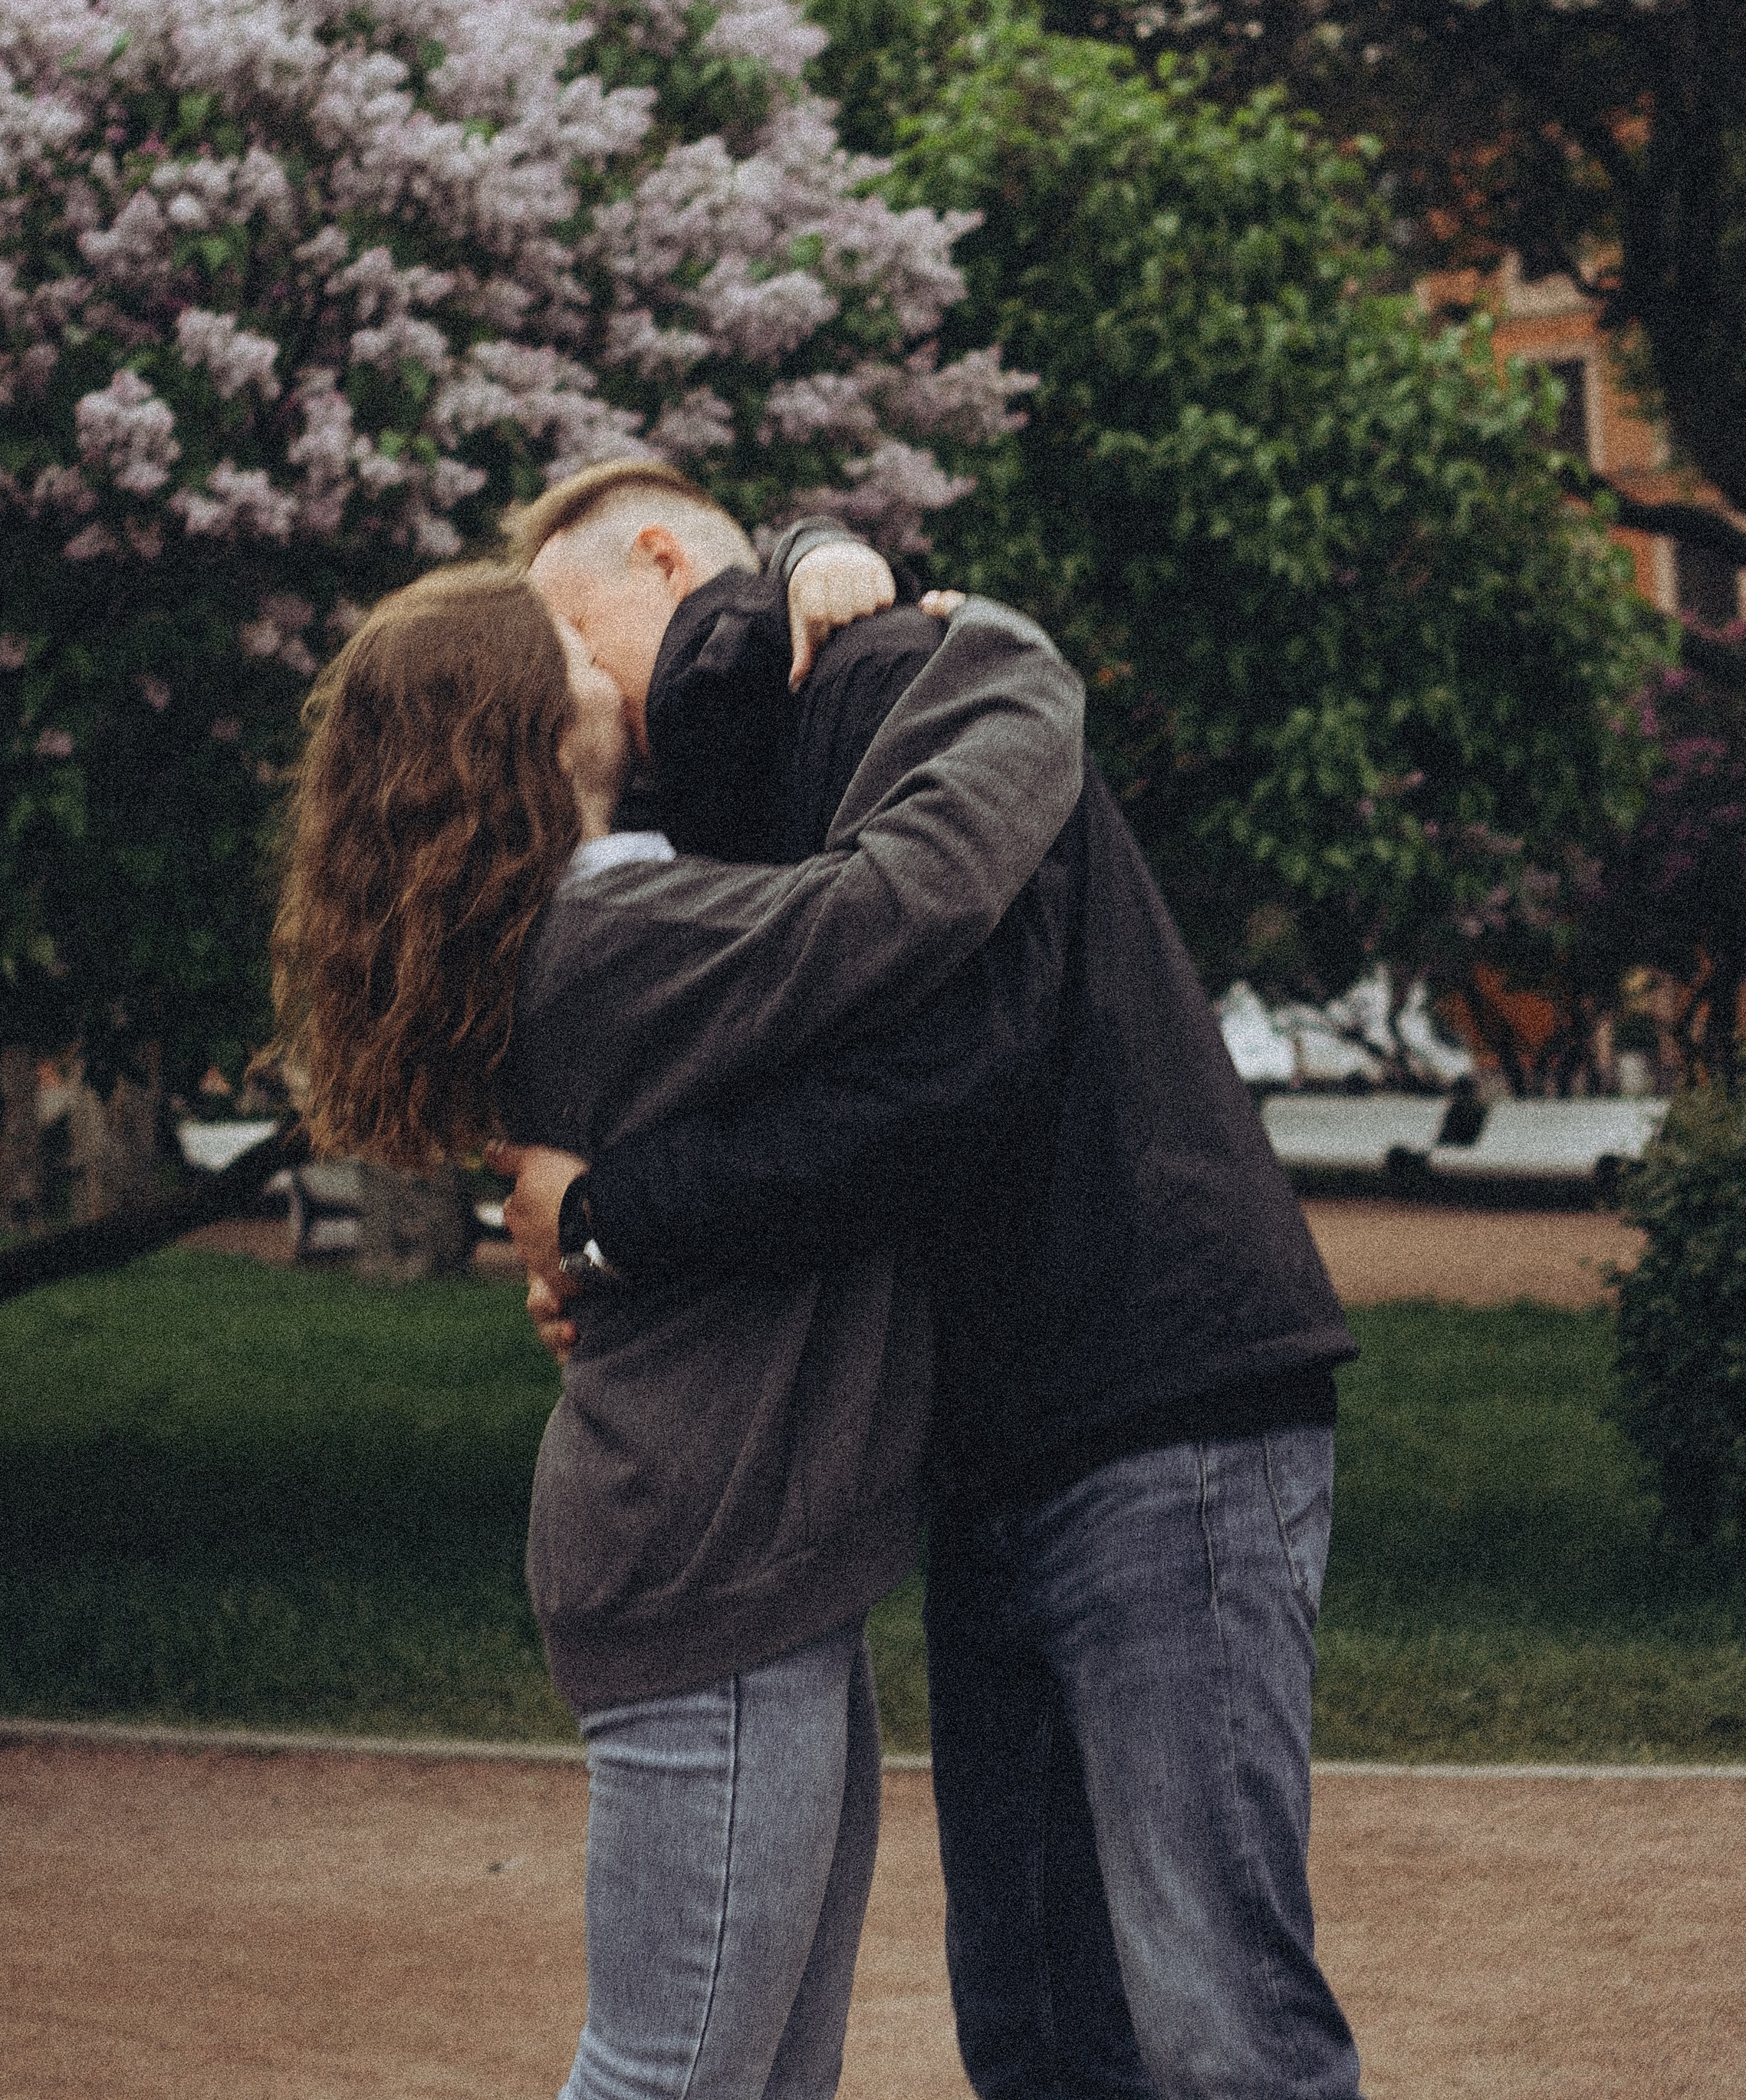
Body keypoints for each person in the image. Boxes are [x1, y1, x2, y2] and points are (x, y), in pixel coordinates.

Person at [498, 459, 1364, 2100]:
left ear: (663, 555)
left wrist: (613, 1217)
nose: (565, 686)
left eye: (564, 632)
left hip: (1152, 1400)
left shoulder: (884, 672)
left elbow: (965, 1068)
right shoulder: (746, 781)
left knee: (1216, 2024)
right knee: (1038, 2025)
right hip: (990, 1443)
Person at [270, 553, 1087, 2100]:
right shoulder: (608, 932)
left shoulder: (587, 922)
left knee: (765, 2069)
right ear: (516, 722)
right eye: (565, 643)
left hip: (735, 1550)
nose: (600, 652)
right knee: (679, 2069)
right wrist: (1007, 655)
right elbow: (902, 899)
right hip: (709, 1559)